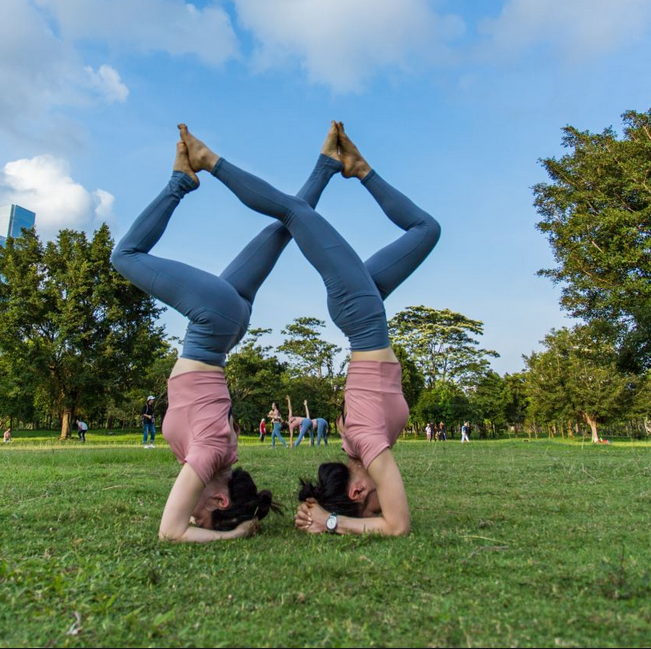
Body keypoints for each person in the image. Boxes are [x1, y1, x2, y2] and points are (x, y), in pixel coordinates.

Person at [176, 121, 438, 537]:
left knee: (293, 214)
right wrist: (331, 517)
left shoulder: (367, 448)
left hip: (361, 315)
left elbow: (397, 526)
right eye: (376, 507)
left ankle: (211, 162)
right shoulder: (367, 449)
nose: (381, 501)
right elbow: (395, 524)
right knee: (427, 231)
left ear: (356, 491)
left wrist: (329, 519)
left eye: (370, 504)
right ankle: (355, 168)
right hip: (366, 316)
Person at [109, 128, 344, 542]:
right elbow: (171, 532)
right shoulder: (210, 456)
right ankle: (181, 180)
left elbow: (183, 521)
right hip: (213, 323)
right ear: (219, 501)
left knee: (284, 229)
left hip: (225, 330)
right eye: (205, 519)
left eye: (197, 521)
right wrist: (233, 534)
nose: (193, 517)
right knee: (124, 256)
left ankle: (327, 165)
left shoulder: (218, 455)